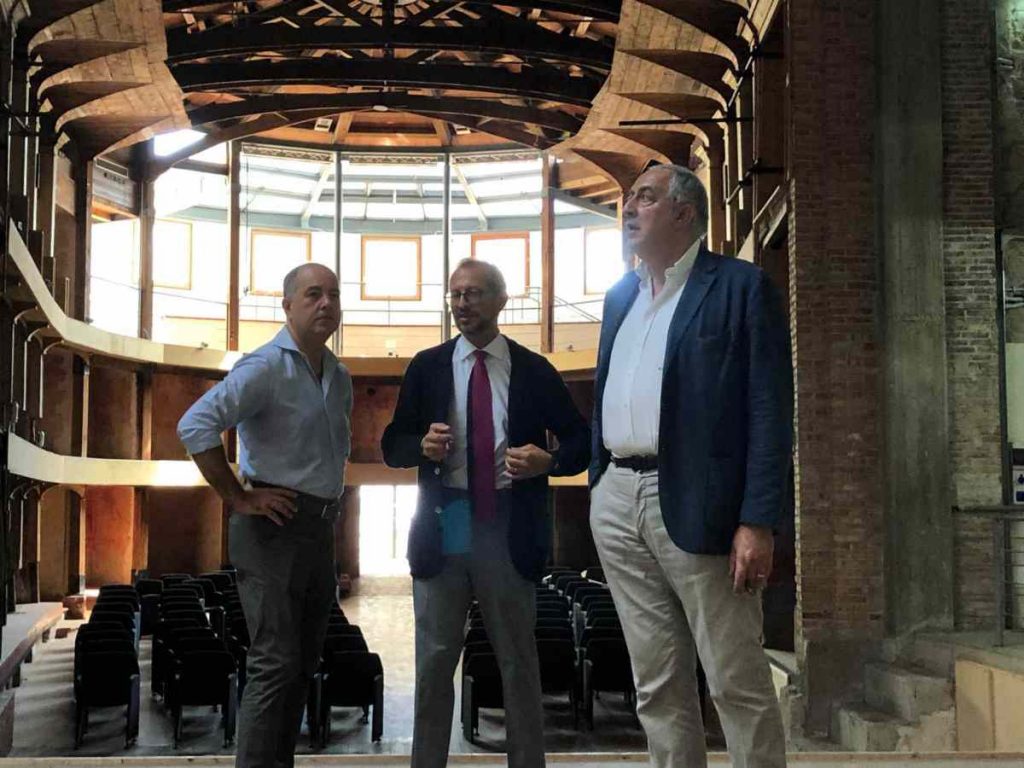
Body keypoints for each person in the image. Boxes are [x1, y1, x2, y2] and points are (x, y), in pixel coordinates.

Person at [589, 164, 792, 768]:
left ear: (683, 212)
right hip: (618, 498)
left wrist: (758, 520)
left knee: (734, 679)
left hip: (703, 502)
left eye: (645, 198)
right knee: (655, 683)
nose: (629, 208)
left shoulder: (740, 287)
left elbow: (769, 409)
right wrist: (598, 482)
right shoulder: (619, 297)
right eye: (629, 198)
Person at [381, 258, 590, 768]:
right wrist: (420, 446)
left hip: (507, 522)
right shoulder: (427, 366)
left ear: (501, 301)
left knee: (517, 659)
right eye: (455, 294)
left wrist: (549, 461)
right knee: (435, 660)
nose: (462, 303)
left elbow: (582, 441)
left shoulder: (534, 370)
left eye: (473, 293)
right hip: (448, 519)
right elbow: (392, 444)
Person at [177, 263, 352, 768]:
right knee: (275, 662)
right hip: (273, 526)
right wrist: (237, 496)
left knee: (303, 662)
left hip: (319, 527)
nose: (326, 303)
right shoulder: (265, 367)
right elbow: (195, 424)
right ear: (288, 306)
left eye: (333, 295)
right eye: (313, 294)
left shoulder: (338, 374)